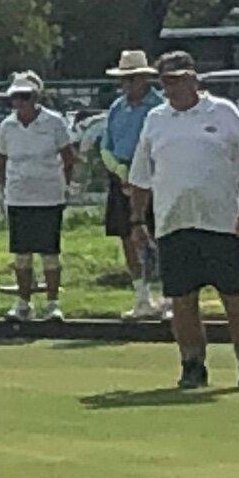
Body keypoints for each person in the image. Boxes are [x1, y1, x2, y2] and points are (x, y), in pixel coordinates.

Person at [127, 47, 239, 392]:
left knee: (235, 296)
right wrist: (136, 222)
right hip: (174, 222)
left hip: (220, 222)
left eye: (176, 81)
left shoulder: (224, 112)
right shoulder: (156, 119)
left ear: (193, 78)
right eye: (165, 82)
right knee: (182, 300)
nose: (171, 89)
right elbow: (141, 175)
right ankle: (192, 365)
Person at [0, 71, 79, 323]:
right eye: (16, 97)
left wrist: (64, 187)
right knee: (22, 254)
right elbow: (0, 160)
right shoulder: (7, 126)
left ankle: (53, 304)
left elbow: (68, 157)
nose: (20, 102)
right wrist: (6, 187)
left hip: (49, 197)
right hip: (18, 198)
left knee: (49, 253)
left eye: (25, 97)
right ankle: (23, 304)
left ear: (35, 97)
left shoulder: (54, 123)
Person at [95, 49, 164, 318]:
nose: (127, 85)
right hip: (121, 176)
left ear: (144, 79)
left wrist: (139, 175)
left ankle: (168, 298)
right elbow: (105, 145)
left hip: (153, 179)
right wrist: (120, 170)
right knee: (126, 235)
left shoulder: (158, 108)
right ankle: (141, 297)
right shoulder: (117, 108)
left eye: (133, 79)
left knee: (158, 236)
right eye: (124, 79)